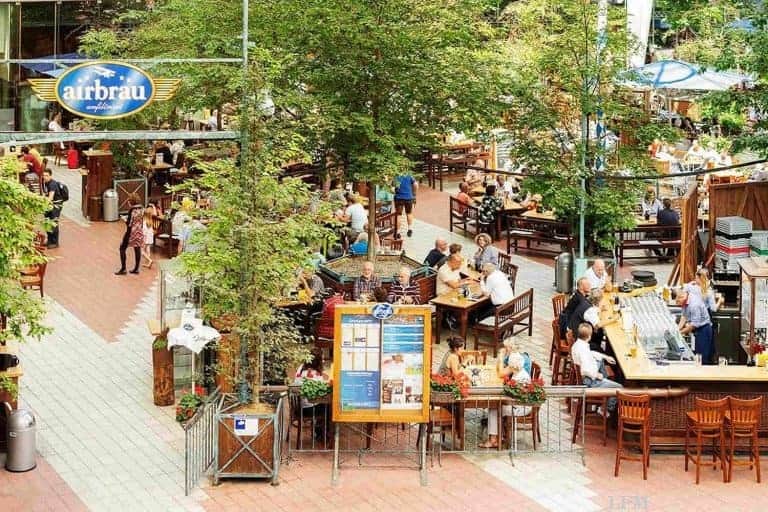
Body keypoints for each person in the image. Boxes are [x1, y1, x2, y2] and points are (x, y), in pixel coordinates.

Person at [480, 347, 532, 448]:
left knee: (493, 408)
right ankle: (497, 436)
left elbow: (513, 397)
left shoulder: (520, 377)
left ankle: (493, 440)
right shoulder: (519, 372)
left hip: (520, 407)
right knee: (495, 406)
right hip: (517, 403)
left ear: (513, 366)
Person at [571, 323, 621, 412]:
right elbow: (585, 370)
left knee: (599, 359)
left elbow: (591, 353)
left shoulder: (578, 344)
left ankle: (605, 382)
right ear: (589, 336)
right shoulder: (583, 350)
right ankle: (605, 409)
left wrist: (605, 357)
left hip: (588, 376)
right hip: (590, 381)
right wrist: (597, 375)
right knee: (619, 387)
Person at [677, 289, 715, 364]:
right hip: (698, 329)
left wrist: (680, 333)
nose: (678, 304)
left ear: (683, 298)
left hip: (704, 329)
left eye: (678, 302)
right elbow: (684, 316)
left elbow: (694, 325)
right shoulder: (686, 300)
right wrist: (677, 329)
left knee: (702, 358)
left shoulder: (694, 305)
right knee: (698, 355)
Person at [115, 193, 144, 275]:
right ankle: (136, 268)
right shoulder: (141, 208)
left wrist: (124, 219)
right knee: (137, 248)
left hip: (131, 232)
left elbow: (129, 223)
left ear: (131, 201)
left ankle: (123, 268)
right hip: (139, 231)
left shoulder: (132, 210)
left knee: (122, 248)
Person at [42, 169, 64, 248]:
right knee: (47, 221)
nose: (45, 177)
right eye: (44, 175)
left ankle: (55, 242)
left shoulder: (52, 184)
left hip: (55, 205)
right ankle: (49, 239)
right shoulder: (45, 183)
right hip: (49, 205)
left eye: (47, 175)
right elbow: (45, 193)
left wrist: (43, 205)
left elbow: (50, 197)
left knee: (53, 222)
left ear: (51, 176)